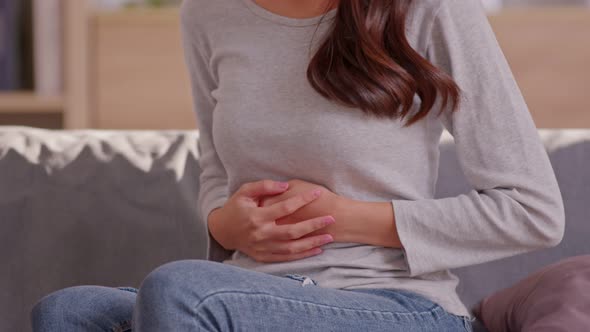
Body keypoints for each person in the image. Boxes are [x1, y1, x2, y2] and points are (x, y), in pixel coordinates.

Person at [30, 0, 565, 331]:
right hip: (251, 290)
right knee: (68, 312)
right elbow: (217, 170)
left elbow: (533, 210)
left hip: (393, 305)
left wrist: (346, 217)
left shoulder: (429, 7)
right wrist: (225, 224)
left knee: (179, 292)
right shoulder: (209, 12)